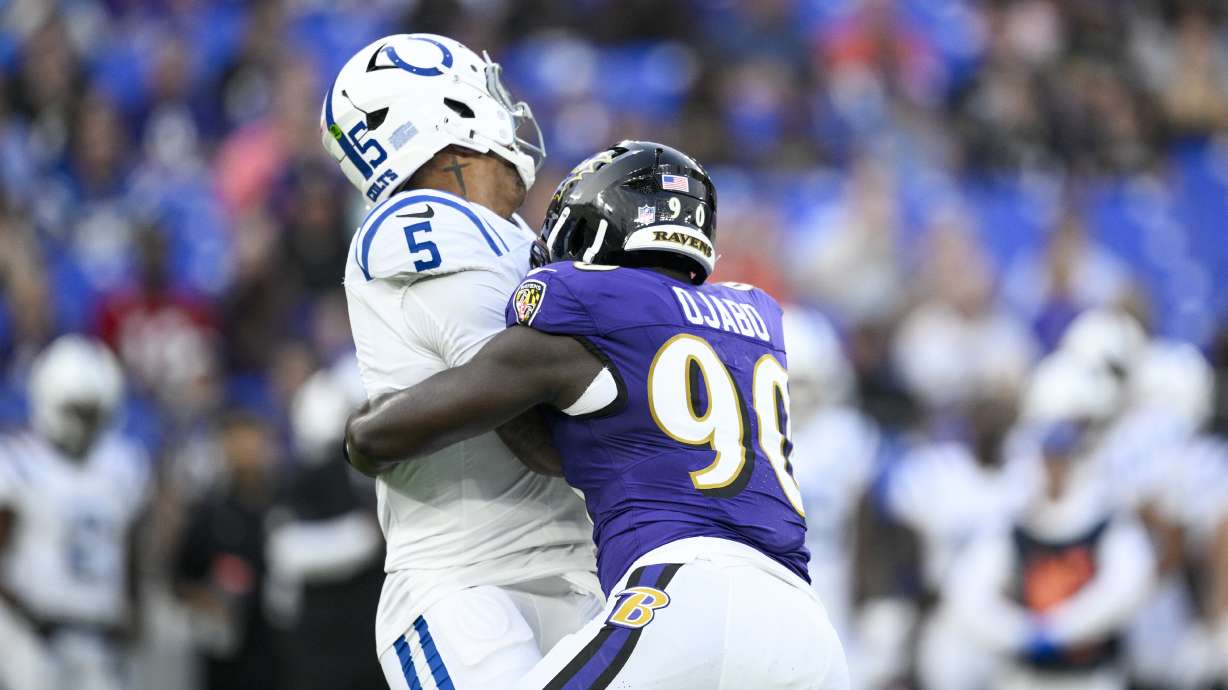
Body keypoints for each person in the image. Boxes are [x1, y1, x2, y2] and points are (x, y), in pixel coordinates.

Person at [347, 141, 849, 689]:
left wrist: (358, 433)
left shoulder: (586, 301)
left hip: (685, 593)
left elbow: (388, 434)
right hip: (808, 628)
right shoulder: (754, 314)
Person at [323, 33, 600, 689]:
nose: (508, 111)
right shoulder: (422, 220)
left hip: (578, 574)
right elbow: (522, 416)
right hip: (471, 587)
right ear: (447, 112)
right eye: (487, 92)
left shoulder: (514, 236)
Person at [0, 335, 150, 690]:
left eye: (91, 412)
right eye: (77, 411)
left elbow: (130, 547)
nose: (84, 423)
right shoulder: (20, 463)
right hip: (33, 631)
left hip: (100, 633)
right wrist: (18, 610)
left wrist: (135, 608)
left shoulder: (123, 466)